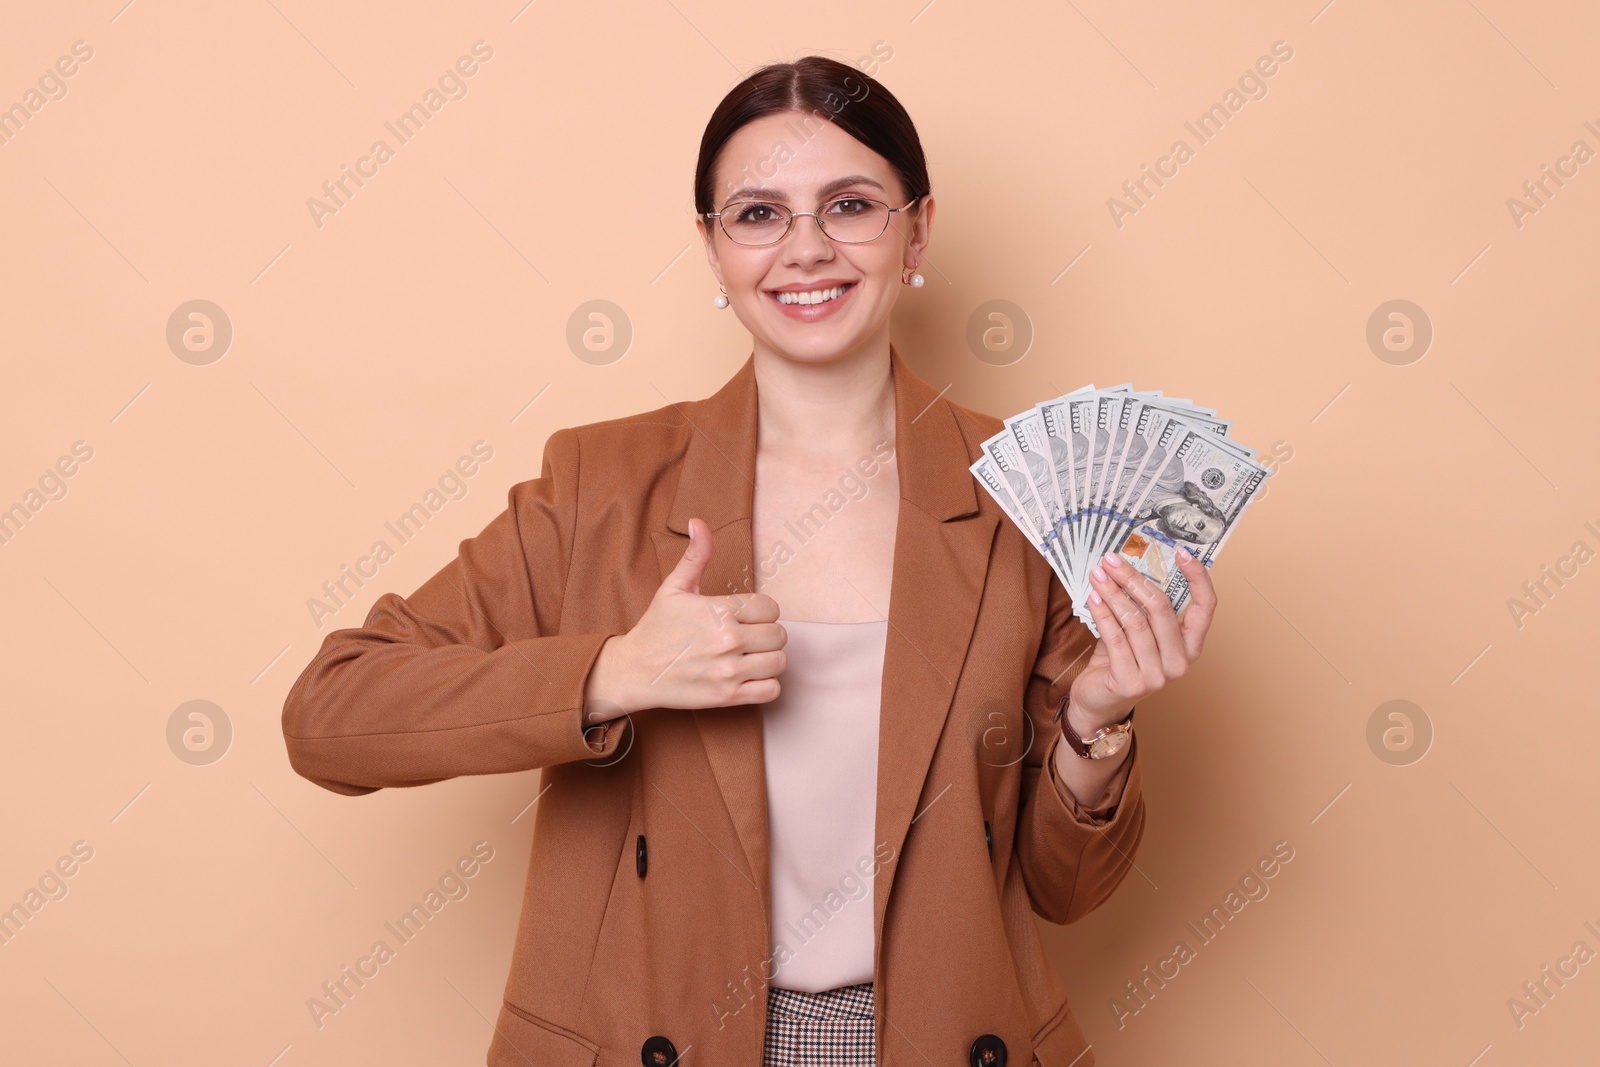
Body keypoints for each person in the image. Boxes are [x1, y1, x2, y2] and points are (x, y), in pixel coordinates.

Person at [280, 55, 1217, 1067]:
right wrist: (610, 674)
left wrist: (1096, 719)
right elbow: (330, 716)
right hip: (657, 1038)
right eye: (759, 214)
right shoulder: (600, 481)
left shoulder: (1025, 498)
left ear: (918, 231)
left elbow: (1064, 890)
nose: (805, 249)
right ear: (712, 247)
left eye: (849, 204)